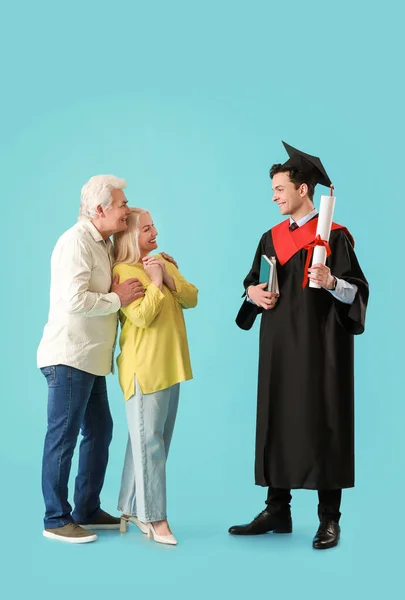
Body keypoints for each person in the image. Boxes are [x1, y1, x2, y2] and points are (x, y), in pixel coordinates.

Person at [229, 142, 369, 549]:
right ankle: (277, 509)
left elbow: (357, 292)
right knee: (278, 417)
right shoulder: (270, 238)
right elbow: (251, 282)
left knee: (324, 419)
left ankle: (329, 520)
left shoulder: (334, 238)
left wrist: (331, 282)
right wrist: (254, 293)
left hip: (321, 346)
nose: (274, 197)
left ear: (303, 190)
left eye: (279, 189)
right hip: (278, 346)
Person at [37, 175, 177, 544]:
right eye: (121, 204)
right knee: (63, 438)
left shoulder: (102, 244)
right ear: (99, 209)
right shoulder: (75, 243)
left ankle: (86, 509)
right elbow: (74, 300)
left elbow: (131, 258)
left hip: (92, 361)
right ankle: (56, 518)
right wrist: (117, 297)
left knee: (100, 432)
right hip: (69, 357)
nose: (127, 209)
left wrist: (159, 262)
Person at [112, 208, 198, 546]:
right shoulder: (121, 272)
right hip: (144, 369)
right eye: (147, 228)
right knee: (151, 444)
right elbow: (143, 317)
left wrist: (166, 274)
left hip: (171, 364)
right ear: (131, 234)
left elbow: (192, 297)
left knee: (147, 442)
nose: (155, 232)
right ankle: (154, 517)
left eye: (154, 226)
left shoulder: (162, 261)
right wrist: (158, 285)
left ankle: (129, 506)